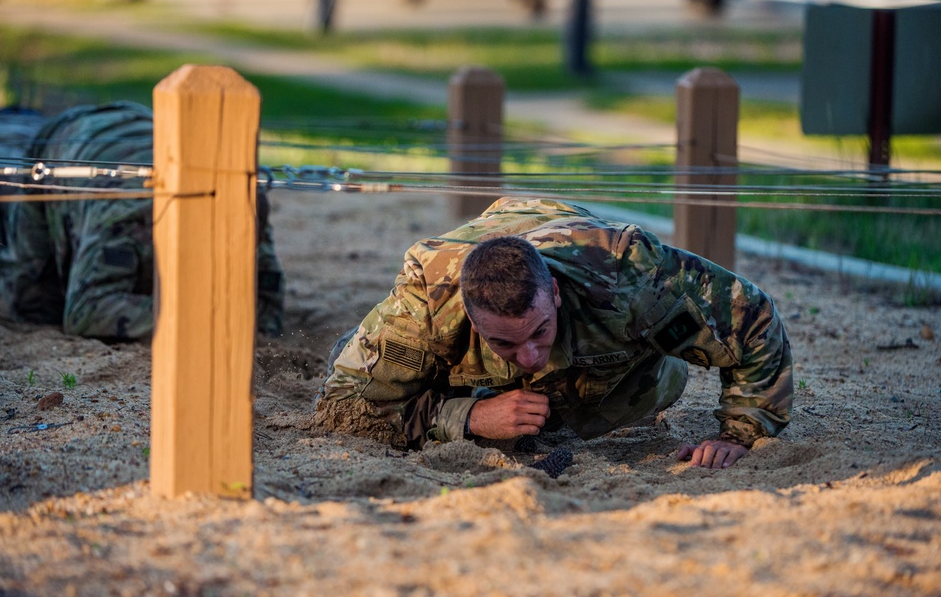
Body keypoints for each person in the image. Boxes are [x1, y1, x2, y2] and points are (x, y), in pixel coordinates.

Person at [314, 197, 792, 469]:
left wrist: (743, 432)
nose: (528, 356)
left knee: (651, 387)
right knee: (377, 375)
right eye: (504, 342)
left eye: (539, 331)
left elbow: (754, 323)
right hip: (458, 325)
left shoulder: (629, 278)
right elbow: (341, 410)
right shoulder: (423, 306)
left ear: (557, 294)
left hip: (623, 376)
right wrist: (468, 417)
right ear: (472, 317)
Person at [0, 101, 285, 341]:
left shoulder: (244, 205)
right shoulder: (127, 217)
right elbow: (85, 311)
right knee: (34, 302)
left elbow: (266, 309)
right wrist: (194, 318)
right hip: (60, 145)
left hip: (140, 125)